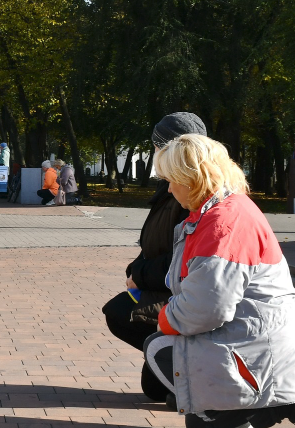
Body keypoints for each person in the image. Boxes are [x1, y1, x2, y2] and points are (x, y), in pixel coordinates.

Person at [144, 133, 295, 428]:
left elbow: (207, 307)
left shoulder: (223, 223)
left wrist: (166, 317)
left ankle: (289, 403)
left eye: (171, 180)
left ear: (192, 178)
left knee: (160, 349)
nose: (169, 189)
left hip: (254, 349)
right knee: (182, 380)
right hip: (257, 343)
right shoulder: (221, 212)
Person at [101, 111, 208, 404]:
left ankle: (194, 376)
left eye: (157, 147)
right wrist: (135, 269)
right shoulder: (169, 188)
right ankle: (180, 369)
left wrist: (141, 274)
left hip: (183, 295)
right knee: (155, 388)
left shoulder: (191, 192)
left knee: (121, 312)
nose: (155, 154)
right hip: (165, 285)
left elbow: (184, 258)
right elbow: (154, 244)